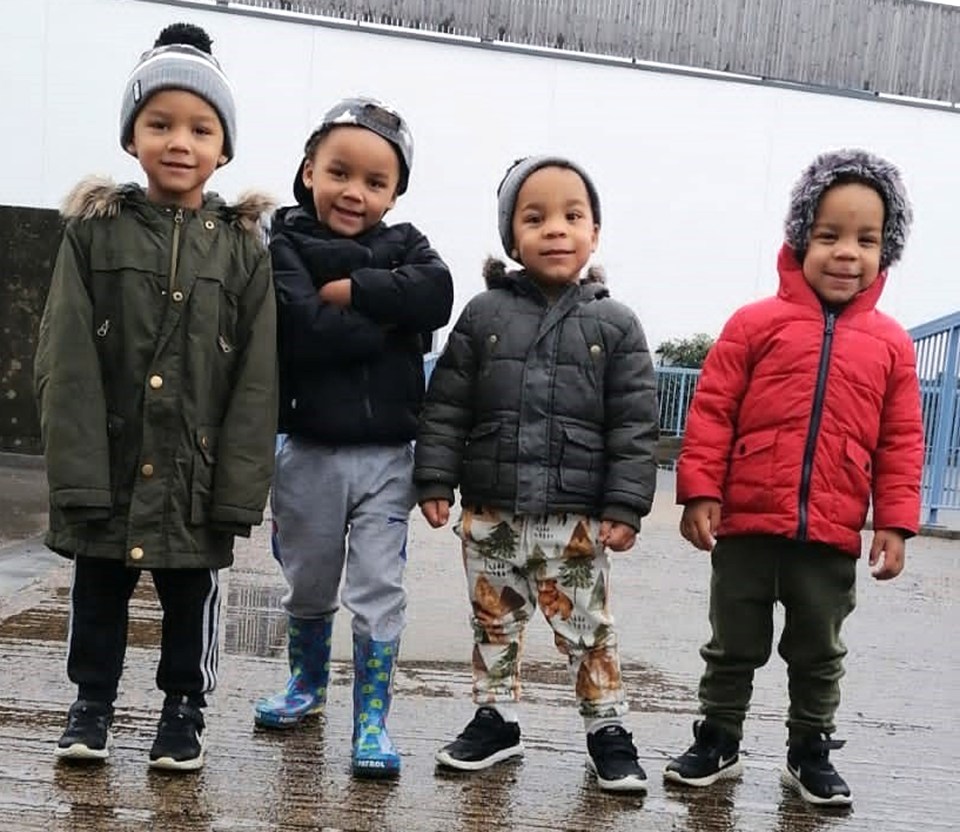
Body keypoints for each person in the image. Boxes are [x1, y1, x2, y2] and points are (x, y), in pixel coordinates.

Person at [34, 23, 277, 771]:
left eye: (201, 128)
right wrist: (75, 471)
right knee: (98, 589)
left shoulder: (242, 248)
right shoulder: (94, 234)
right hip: (110, 462)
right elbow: (64, 356)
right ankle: (92, 703)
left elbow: (257, 381)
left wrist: (238, 488)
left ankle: (183, 709)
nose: (180, 142)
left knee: (190, 598)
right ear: (132, 138)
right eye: (160, 124)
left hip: (192, 474)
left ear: (224, 148)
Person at [664, 149, 924, 807]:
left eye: (866, 240)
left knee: (818, 652)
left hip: (830, 536)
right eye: (829, 235)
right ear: (800, 238)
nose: (846, 253)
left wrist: (894, 521)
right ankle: (716, 737)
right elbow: (714, 411)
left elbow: (900, 442)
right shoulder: (754, 324)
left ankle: (810, 749)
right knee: (733, 644)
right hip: (747, 527)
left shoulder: (892, 346)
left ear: (885, 251)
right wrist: (701, 489)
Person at [414, 156, 659, 793]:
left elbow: (633, 425)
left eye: (572, 216)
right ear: (511, 237)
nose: (556, 229)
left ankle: (606, 728)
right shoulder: (484, 314)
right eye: (536, 216)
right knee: (493, 621)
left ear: (595, 232)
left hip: (573, 517)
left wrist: (625, 505)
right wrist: (436, 479)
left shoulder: (616, 324)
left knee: (587, 626)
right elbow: (446, 404)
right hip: (491, 509)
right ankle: (496, 719)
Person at [254, 97, 453, 779]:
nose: (355, 191)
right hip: (306, 449)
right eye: (340, 171)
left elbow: (438, 295)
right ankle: (305, 686)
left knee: (378, 586)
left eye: (377, 181)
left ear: (396, 192)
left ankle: (372, 718)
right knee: (308, 581)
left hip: (388, 460)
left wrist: (349, 290)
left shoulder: (409, 245)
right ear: (309, 170)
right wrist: (393, 320)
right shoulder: (281, 242)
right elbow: (302, 333)